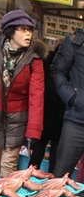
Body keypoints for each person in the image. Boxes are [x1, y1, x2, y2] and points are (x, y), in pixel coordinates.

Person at [0, 10, 45, 177]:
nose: (28, 33)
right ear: (11, 31)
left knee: (8, 165)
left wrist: (34, 130)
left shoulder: (35, 58)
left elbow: (37, 96)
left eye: (30, 30)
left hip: (18, 118)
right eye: (23, 29)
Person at [52, 27, 84, 178]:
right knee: (61, 175)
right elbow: (57, 70)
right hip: (76, 122)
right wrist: (72, 98)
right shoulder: (74, 42)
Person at [30, 45, 64, 173]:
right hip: (57, 117)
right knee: (54, 157)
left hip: (43, 114)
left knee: (37, 154)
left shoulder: (45, 63)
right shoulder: (68, 67)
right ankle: (51, 183)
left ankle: (29, 178)